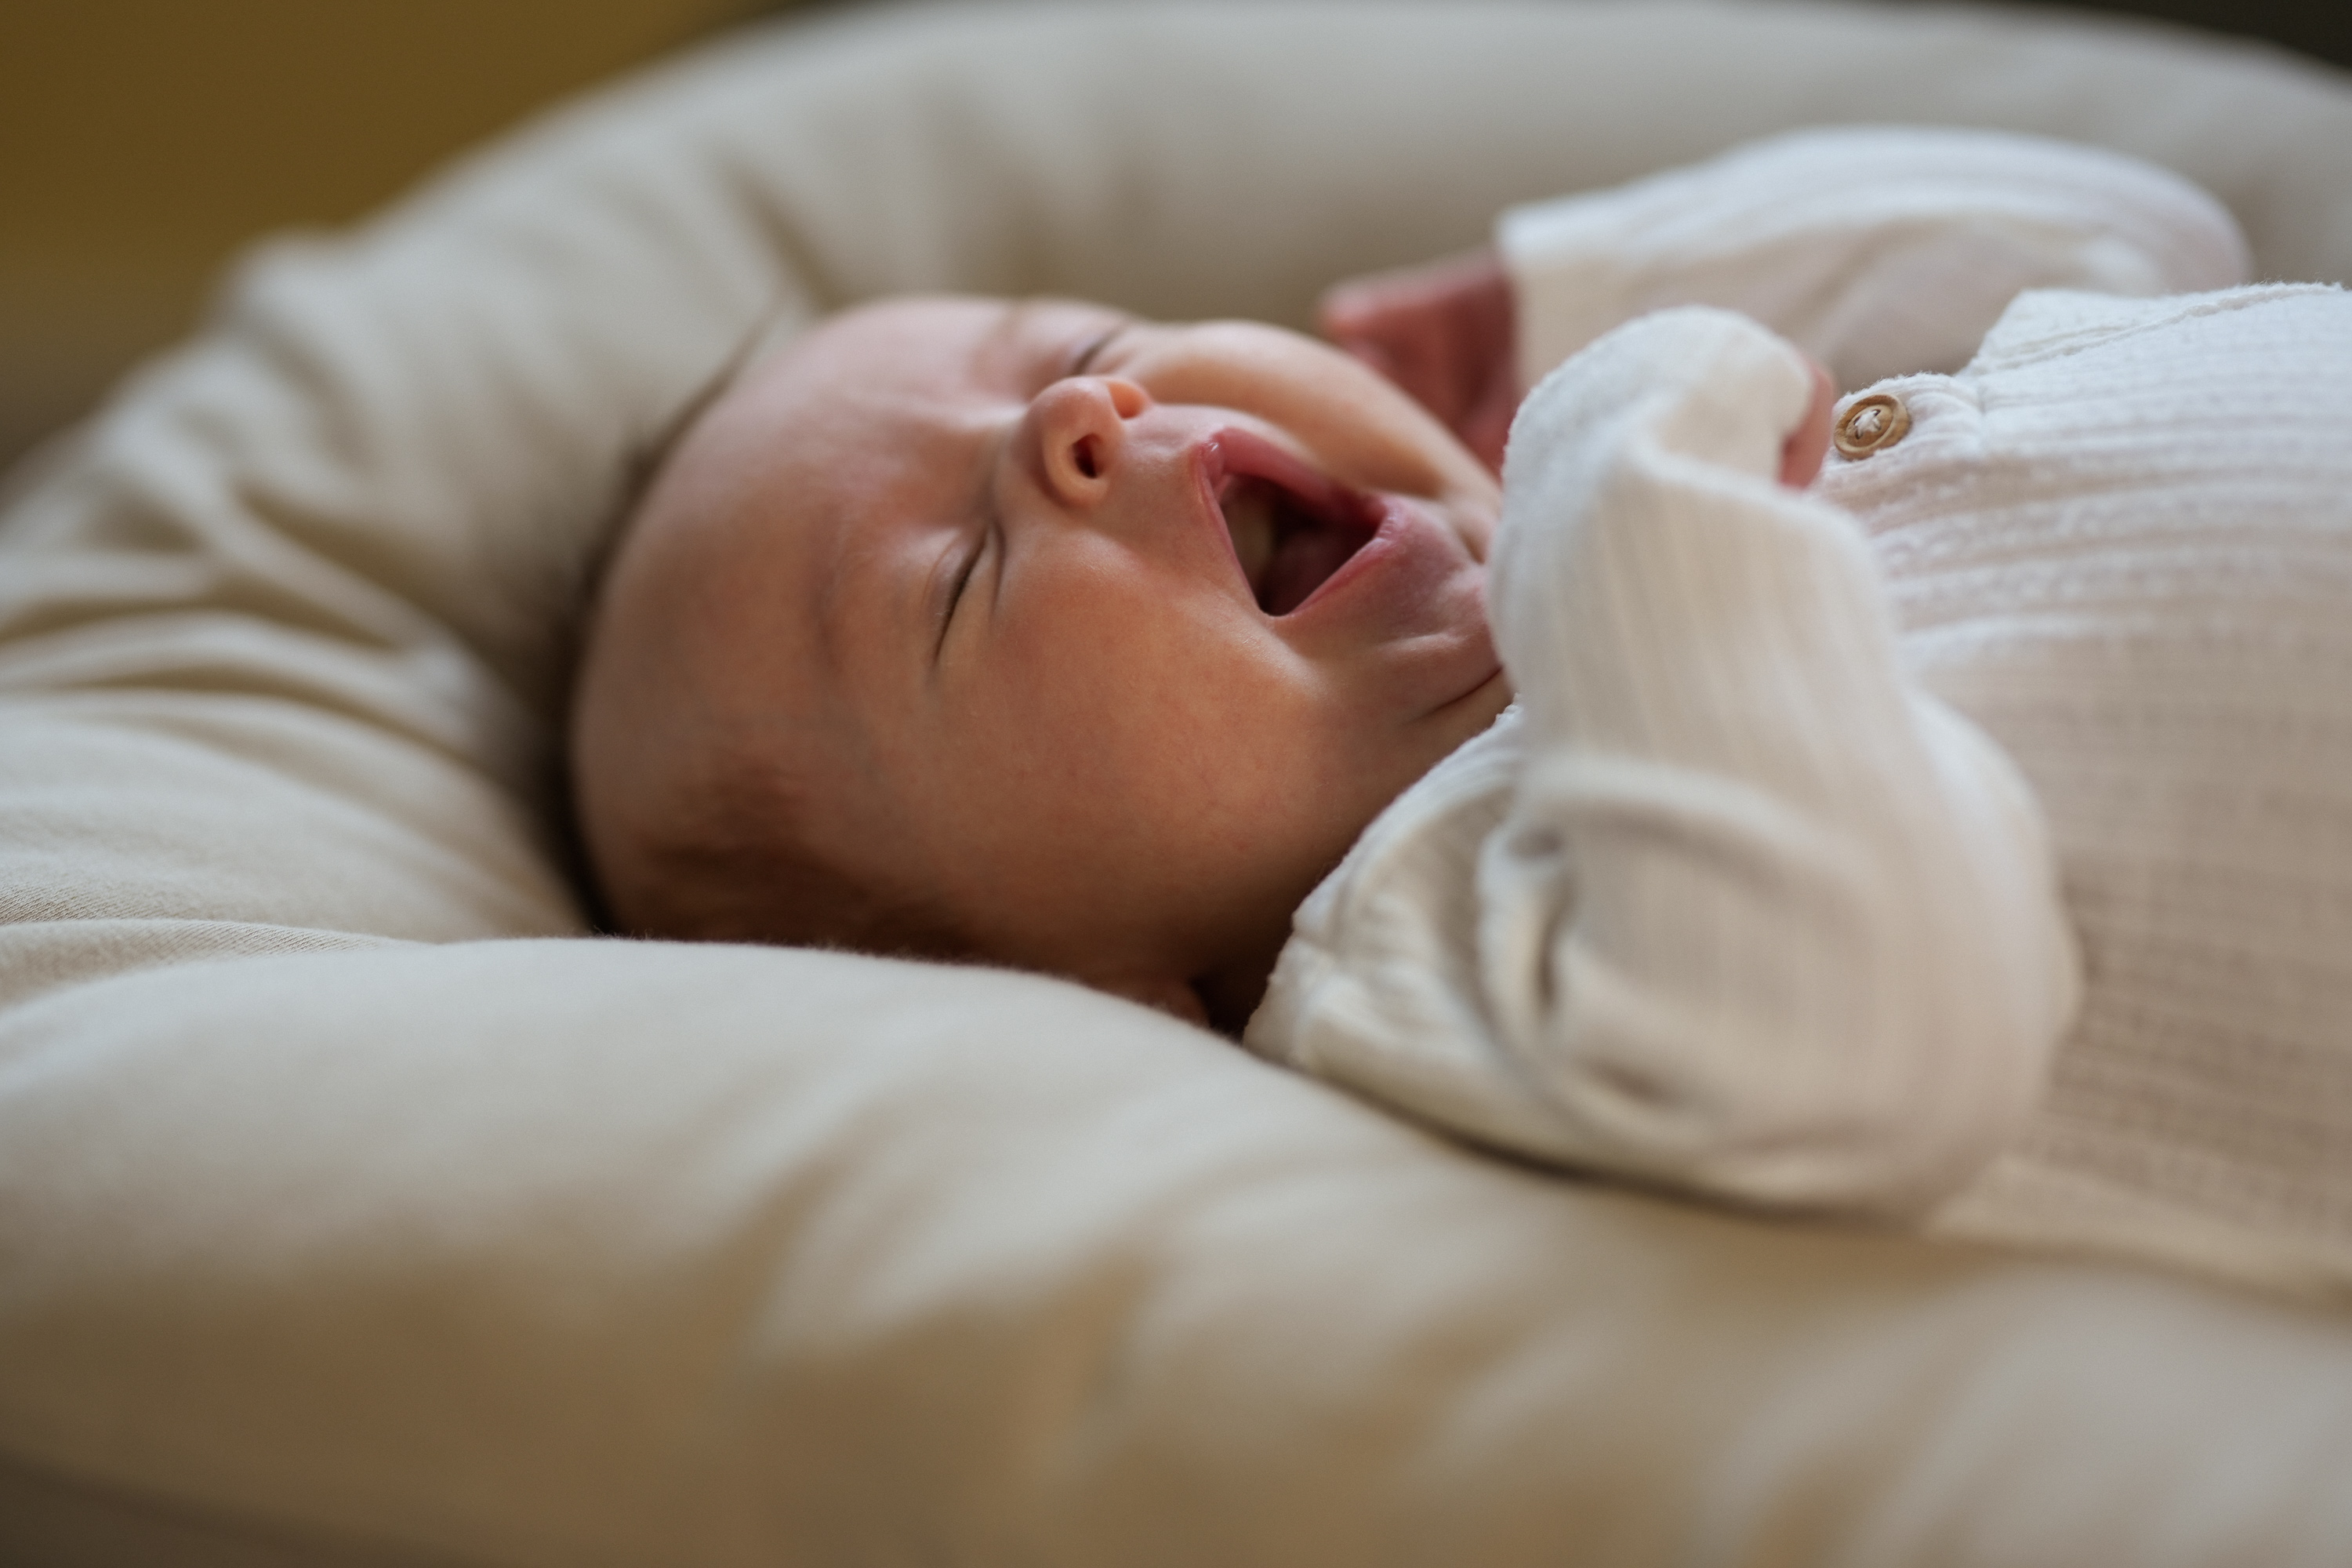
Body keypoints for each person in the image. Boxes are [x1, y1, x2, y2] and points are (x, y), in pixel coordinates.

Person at [572, 129, 2352, 1297]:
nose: (1082, 415)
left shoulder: (1637, 475)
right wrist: (1622, 486)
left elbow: (2133, 231)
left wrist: (1553, 308)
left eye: (1069, 347)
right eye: (953, 580)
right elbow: (1879, 1034)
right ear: (1061, 995)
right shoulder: (1429, 939)